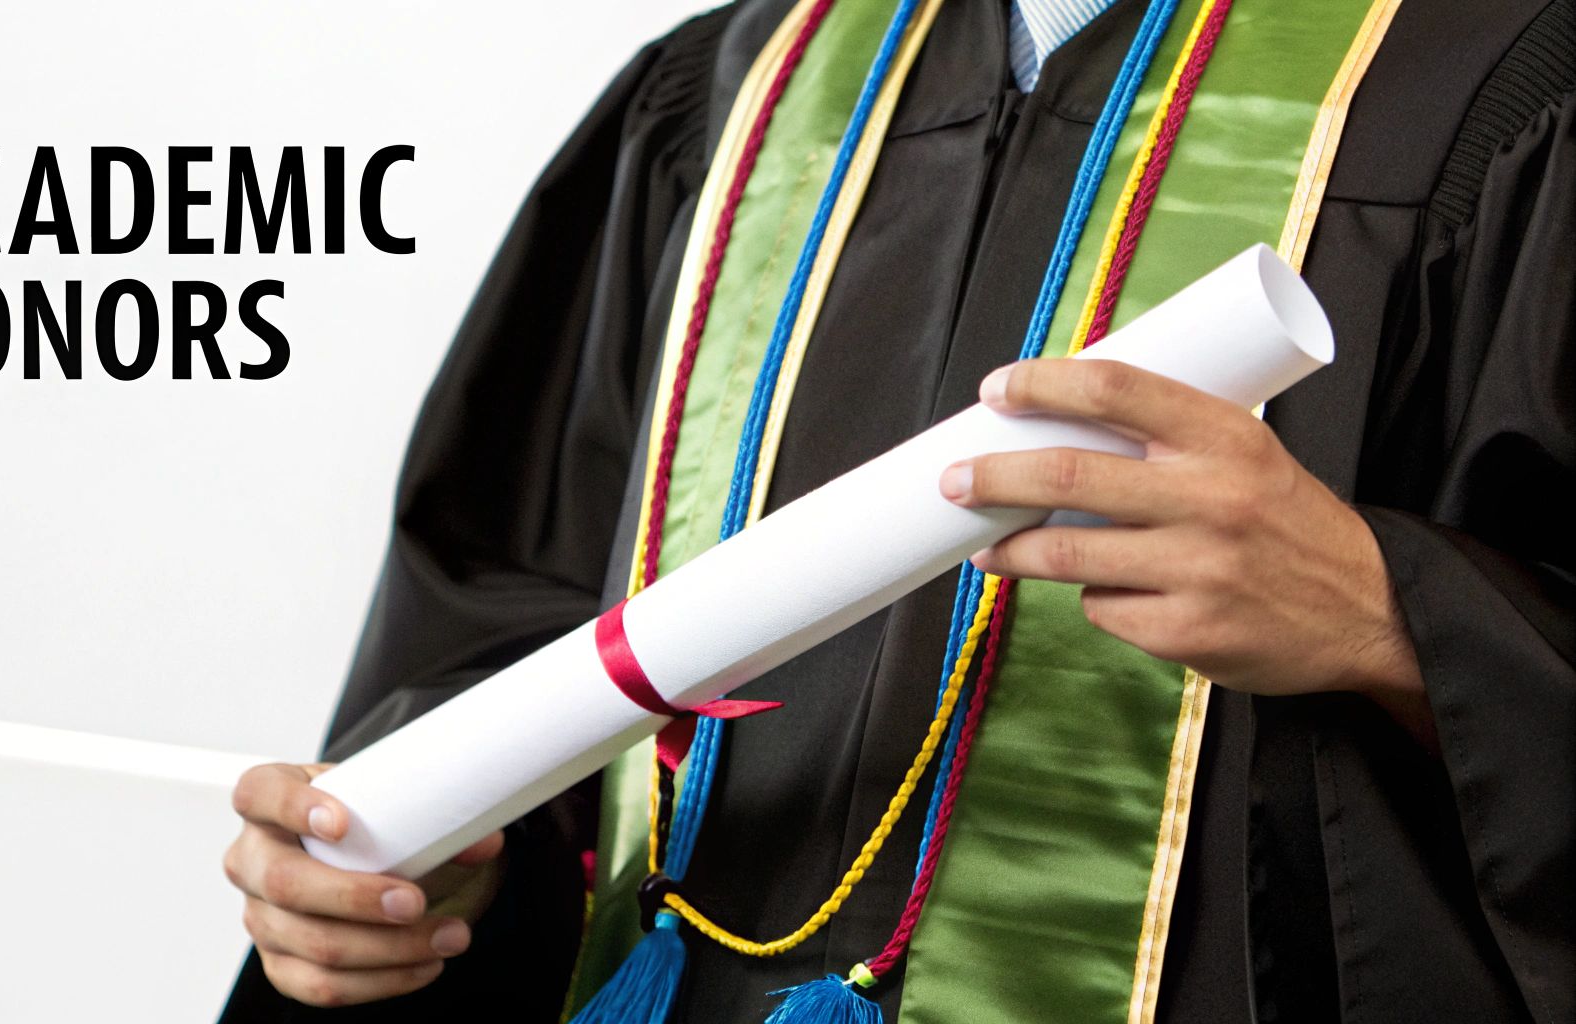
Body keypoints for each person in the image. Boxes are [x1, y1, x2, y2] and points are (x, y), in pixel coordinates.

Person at [217, 0, 1576, 1020]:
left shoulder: (1507, 84)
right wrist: (423, 883)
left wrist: (1395, 619)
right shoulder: (735, 99)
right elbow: (499, 647)